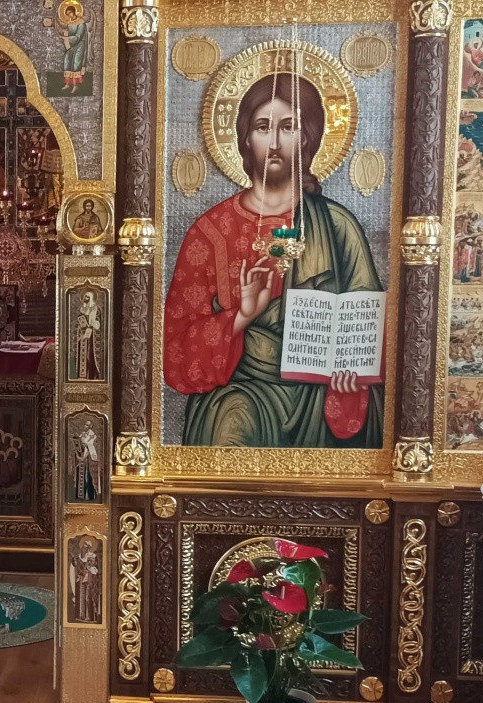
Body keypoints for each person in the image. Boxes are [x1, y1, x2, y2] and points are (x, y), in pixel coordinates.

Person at [163, 73, 384, 448]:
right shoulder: (211, 232)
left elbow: (366, 325)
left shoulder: (337, 226)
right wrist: (242, 316)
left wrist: (352, 375)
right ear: (246, 138)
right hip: (241, 390)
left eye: (289, 127)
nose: (276, 142)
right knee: (230, 419)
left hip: (320, 394)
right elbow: (176, 355)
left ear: (307, 137)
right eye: (264, 127)